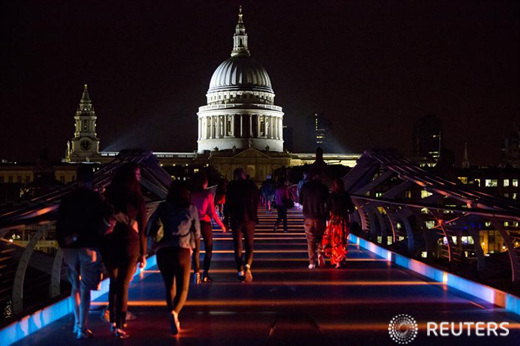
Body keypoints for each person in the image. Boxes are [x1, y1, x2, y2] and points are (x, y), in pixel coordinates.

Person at [56, 165, 109, 339]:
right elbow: (103, 223)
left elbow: (59, 224)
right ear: (91, 180)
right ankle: (82, 327)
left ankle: (76, 322)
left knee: (75, 286)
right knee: (86, 289)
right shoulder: (96, 200)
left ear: (76, 179)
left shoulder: (66, 199)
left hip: (69, 247)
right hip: (89, 248)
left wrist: (65, 241)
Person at [147, 180, 200, 335]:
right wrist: (193, 248)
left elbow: (150, 225)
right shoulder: (191, 209)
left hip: (163, 251)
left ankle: (172, 314)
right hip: (182, 250)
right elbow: (197, 233)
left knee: (170, 287)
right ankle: (175, 313)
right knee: (183, 288)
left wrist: (153, 244)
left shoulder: (162, 207)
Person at [101, 163, 147, 339]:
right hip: (130, 244)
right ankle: (119, 325)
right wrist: (143, 254)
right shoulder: (137, 198)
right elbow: (142, 229)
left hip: (109, 244)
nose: (139, 177)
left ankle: (113, 320)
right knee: (123, 285)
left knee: (114, 282)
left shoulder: (109, 195)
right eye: (137, 174)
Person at [191, 172, 227, 283]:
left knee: (196, 250)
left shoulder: (191, 194)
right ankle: (205, 273)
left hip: (193, 223)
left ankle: (196, 273)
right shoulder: (208, 195)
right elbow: (212, 213)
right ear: (205, 183)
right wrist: (221, 225)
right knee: (209, 249)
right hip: (205, 223)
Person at [225, 167, 259, 283]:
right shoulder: (252, 186)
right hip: (249, 219)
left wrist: (226, 218)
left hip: (236, 220)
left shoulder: (231, 186)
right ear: (244, 175)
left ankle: (239, 270)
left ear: (235, 176)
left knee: (237, 246)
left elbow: (227, 203)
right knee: (250, 245)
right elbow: (256, 202)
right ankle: (248, 266)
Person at [299, 171, 329, 269]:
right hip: (320, 217)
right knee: (320, 238)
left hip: (308, 217)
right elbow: (328, 203)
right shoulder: (323, 188)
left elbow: (300, 201)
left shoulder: (305, 187)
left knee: (310, 240)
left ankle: (312, 262)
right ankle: (320, 254)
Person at [322, 178, 355, 268]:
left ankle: (337, 260)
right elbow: (351, 209)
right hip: (343, 220)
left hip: (334, 220)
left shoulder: (331, 195)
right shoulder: (346, 195)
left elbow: (327, 209)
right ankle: (342, 258)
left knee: (335, 240)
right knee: (342, 239)